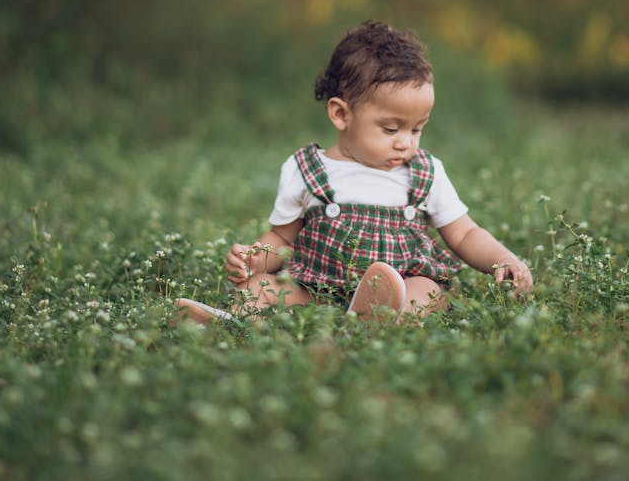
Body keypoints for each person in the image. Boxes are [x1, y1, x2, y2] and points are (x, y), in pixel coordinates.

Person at [176, 20, 532, 324]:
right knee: (258, 289)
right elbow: (282, 239)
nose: (405, 143)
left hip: (400, 284)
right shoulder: (308, 170)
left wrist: (504, 258)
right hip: (319, 292)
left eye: (416, 129)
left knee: (426, 292)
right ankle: (234, 324)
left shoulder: (425, 172)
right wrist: (253, 259)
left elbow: (465, 234)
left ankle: (382, 318)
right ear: (341, 115)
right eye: (391, 129)